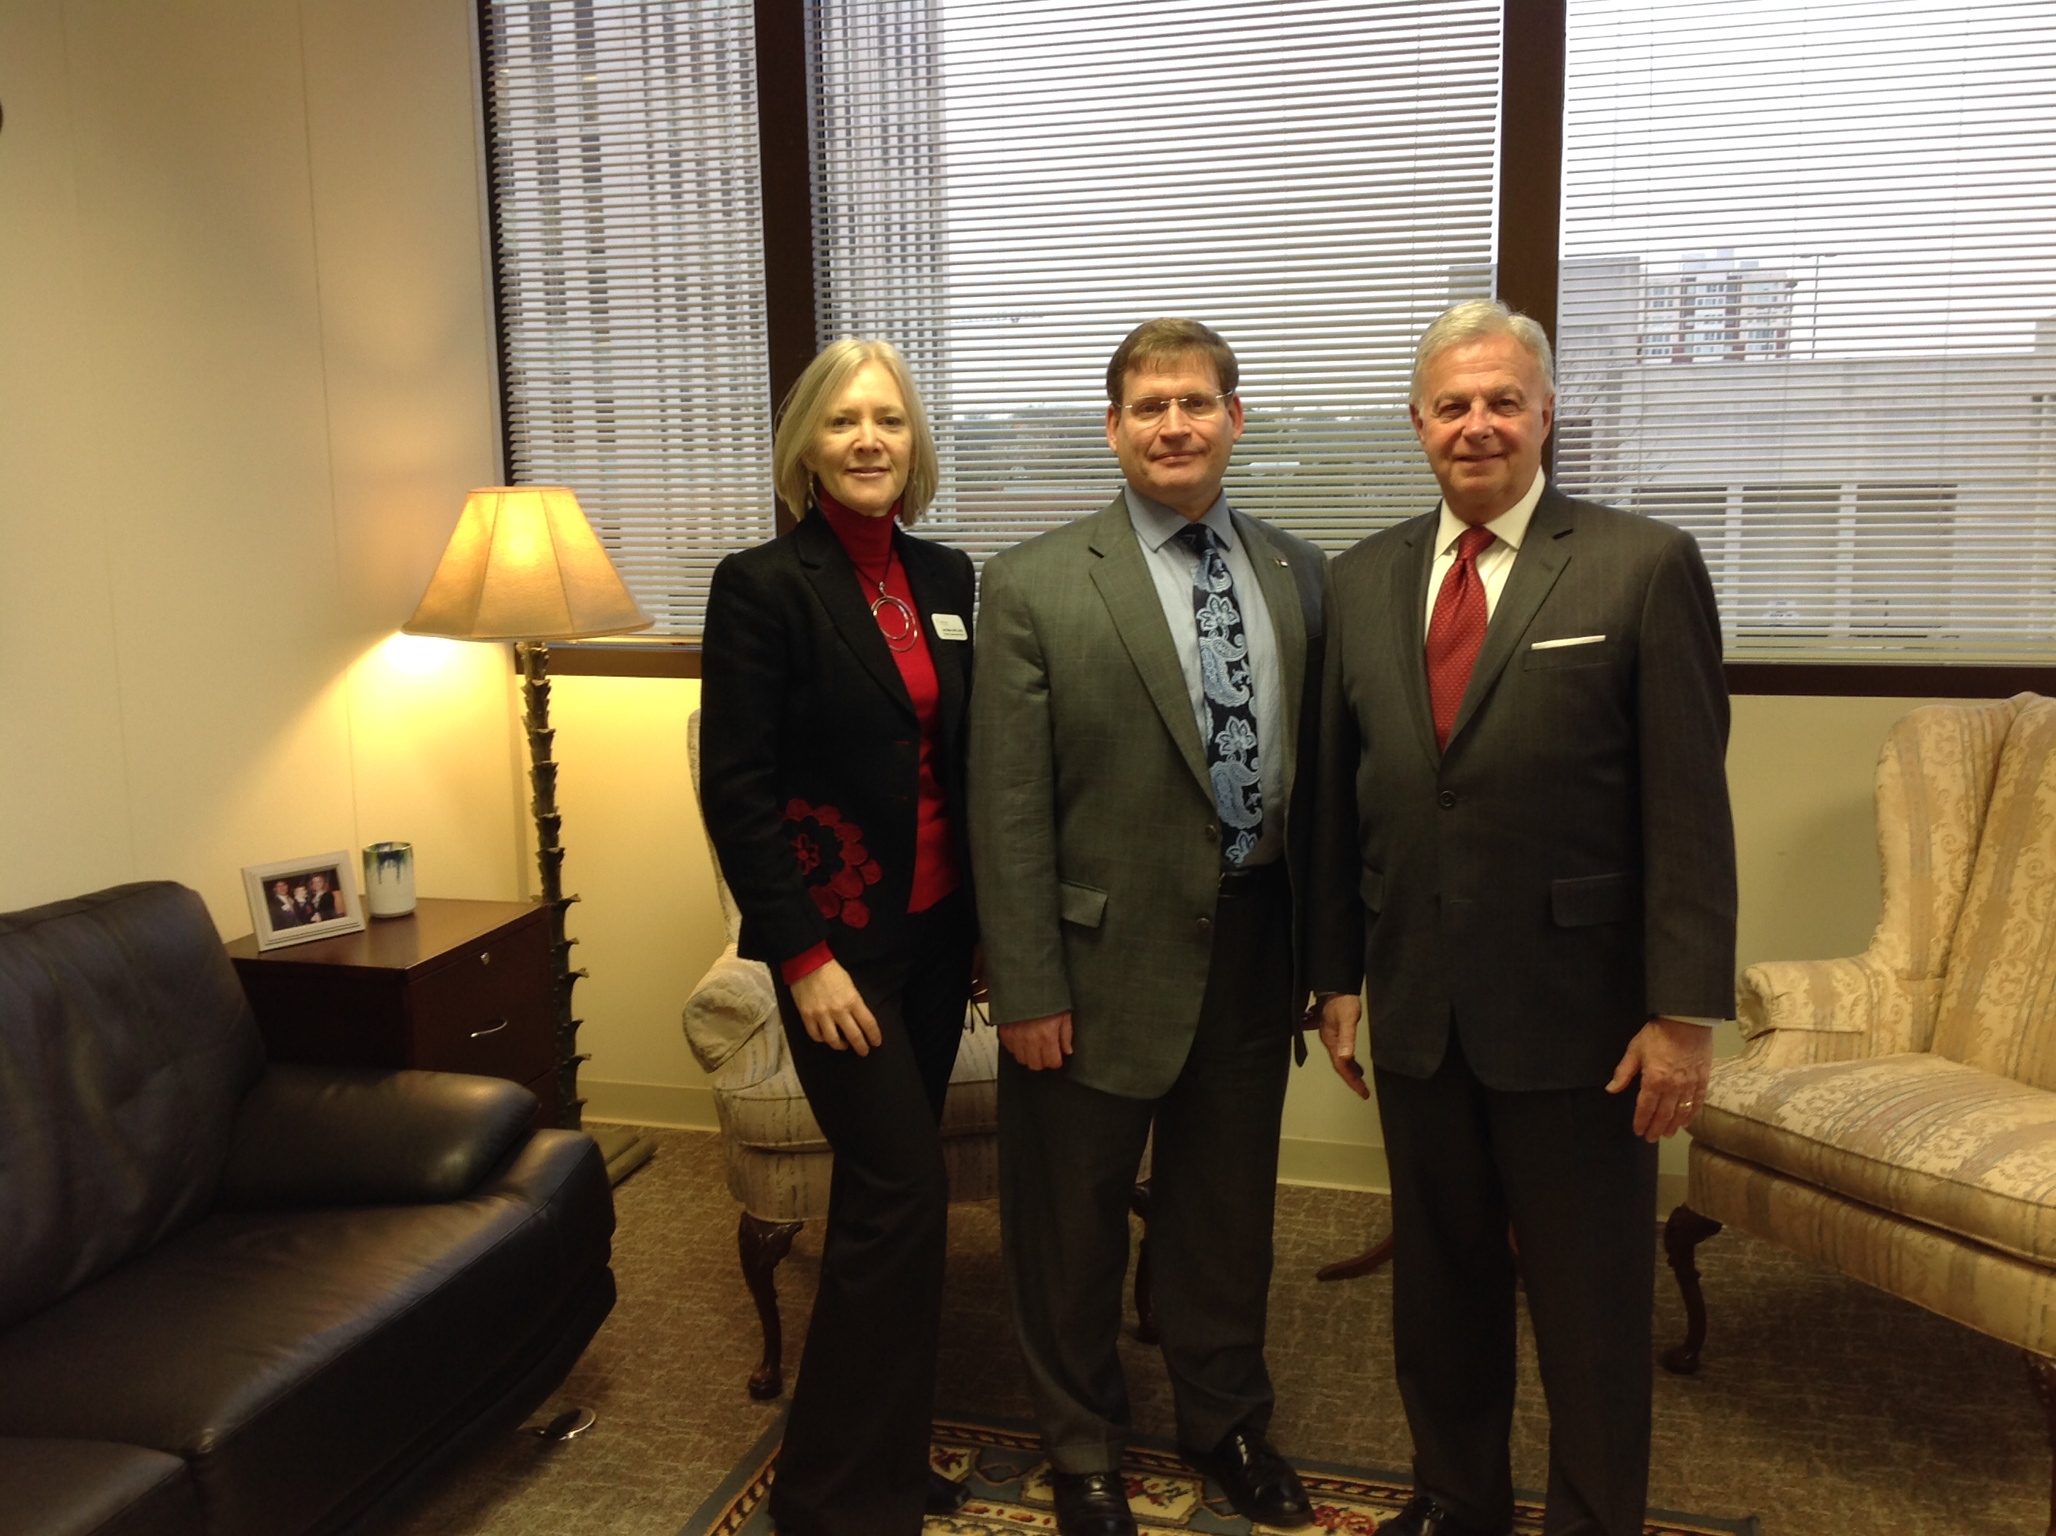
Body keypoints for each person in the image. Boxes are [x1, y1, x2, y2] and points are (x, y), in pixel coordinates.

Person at [1308, 299, 1737, 1536]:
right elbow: (1345, 802)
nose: (1477, 424)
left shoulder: (1639, 564)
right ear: (1418, 423)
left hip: (1584, 1021)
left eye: (1503, 401)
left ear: (1546, 415)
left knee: (1590, 1306)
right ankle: (1456, 1501)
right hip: (1420, 1008)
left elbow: (1687, 810)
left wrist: (1683, 1017)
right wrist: (1335, 975)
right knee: (1439, 1292)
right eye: (1453, 404)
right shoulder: (1364, 577)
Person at [969, 319, 1326, 1536]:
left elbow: (1324, 787)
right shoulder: (1031, 580)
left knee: (1223, 1219)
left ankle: (1227, 1423)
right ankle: (1081, 1450)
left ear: (1235, 417)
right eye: (1148, 407)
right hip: (1085, 964)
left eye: (1195, 402)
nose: (1173, 425)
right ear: (1113, 430)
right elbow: (1005, 805)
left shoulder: (1299, 573)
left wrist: (1327, 968)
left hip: (1254, 949)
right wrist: (1023, 984)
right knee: (1067, 1225)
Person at [699, 338, 979, 1536]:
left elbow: (965, 765)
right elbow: (737, 789)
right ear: (805, 443)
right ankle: (826, 1495)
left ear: (914, 445)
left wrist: (984, 938)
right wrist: (800, 957)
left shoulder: (949, 574)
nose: (870, 439)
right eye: (843, 421)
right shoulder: (763, 585)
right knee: (903, 1198)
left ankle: (881, 1467)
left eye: (891, 421)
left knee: (886, 1212)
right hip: (842, 954)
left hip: (935, 942)